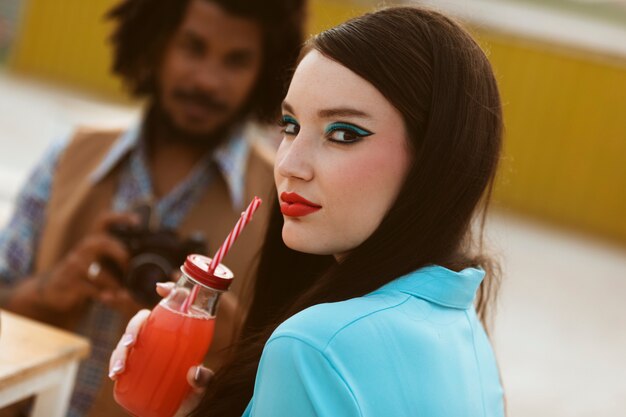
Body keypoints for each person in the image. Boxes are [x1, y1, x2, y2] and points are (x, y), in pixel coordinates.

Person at [110, 5, 505, 416]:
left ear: (435, 158)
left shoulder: (312, 345)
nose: (288, 165)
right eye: (290, 126)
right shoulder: (469, 336)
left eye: (343, 134)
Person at [0, 0, 305, 416]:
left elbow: (288, 386)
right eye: (193, 47)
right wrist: (48, 291)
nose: (207, 81)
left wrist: (230, 338)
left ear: (265, 69)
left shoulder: (282, 200)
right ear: (156, 42)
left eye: (236, 61)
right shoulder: (70, 155)